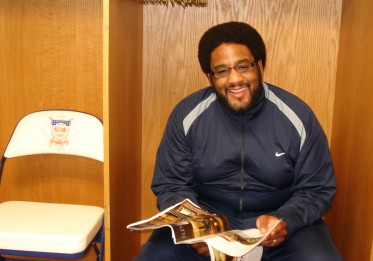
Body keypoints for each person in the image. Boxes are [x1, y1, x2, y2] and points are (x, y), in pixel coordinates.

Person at [133, 22, 342, 261]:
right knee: (154, 257)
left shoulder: (297, 115)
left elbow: (317, 189)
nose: (234, 79)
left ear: (260, 66)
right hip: (209, 223)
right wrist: (198, 228)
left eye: (243, 67)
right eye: (222, 71)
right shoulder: (187, 115)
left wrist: (285, 220)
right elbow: (170, 184)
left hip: (280, 224)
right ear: (210, 77)